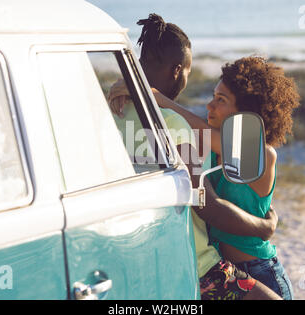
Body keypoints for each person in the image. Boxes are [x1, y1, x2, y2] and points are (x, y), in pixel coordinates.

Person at [109, 13, 281, 300]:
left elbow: (211, 139)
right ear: (178, 70)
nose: (209, 105)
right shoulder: (175, 126)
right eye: (213, 96)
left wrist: (152, 97)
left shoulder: (111, 115)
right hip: (200, 264)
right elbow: (206, 204)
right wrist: (265, 227)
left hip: (255, 266)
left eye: (220, 100)